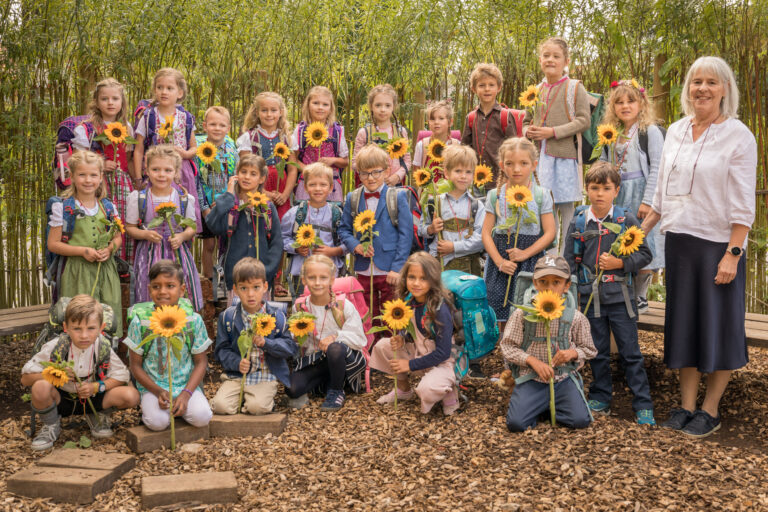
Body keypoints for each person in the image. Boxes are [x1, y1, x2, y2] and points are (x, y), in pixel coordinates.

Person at [641, 56, 757, 438]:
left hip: (717, 245)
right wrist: (638, 234)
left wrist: (733, 253)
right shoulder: (675, 130)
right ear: (688, 89)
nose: (702, 89)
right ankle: (686, 405)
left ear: (725, 89)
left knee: (720, 326)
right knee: (685, 326)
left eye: (711, 82)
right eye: (696, 82)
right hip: (679, 243)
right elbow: (660, 193)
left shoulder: (738, 135)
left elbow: (743, 203)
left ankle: (711, 409)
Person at [563, 162, 655, 425]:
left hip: (620, 299)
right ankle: (601, 396)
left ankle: (643, 404)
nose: (600, 194)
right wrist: (570, 292)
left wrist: (620, 264)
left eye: (606, 188)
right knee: (597, 350)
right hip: (589, 300)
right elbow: (569, 260)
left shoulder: (626, 221)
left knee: (631, 353)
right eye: (594, 188)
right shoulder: (580, 221)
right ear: (586, 190)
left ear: (616, 190)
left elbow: (645, 254)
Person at [22, 295, 139, 450]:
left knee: (131, 395)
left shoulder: (101, 346)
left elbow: (122, 376)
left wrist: (96, 387)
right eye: (77, 329)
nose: (84, 335)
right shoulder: (56, 346)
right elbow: (25, 379)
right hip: (61, 400)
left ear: (101, 327)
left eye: (91, 328)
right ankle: (51, 425)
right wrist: (53, 374)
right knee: (40, 387)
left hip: (93, 398)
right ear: (66, 327)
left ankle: (97, 416)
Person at [501, 256, 596, 431]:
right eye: (543, 282)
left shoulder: (575, 317)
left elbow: (589, 349)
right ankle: (538, 405)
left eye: (556, 282)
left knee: (580, 421)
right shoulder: (522, 315)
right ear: (535, 284)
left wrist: (572, 353)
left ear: (566, 286)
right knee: (516, 424)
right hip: (532, 379)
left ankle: (547, 406)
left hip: (563, 380)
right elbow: (507, 347)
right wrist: (532, 361)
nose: (549, 288)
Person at [600, 79, 665, 313]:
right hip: (619, 194)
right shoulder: (612, 134)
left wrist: (648, 201)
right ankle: (625, 290)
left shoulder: (650, 131)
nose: (625, 106)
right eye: (619, 102)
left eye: (630, 101)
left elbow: (657, 167)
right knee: (623, 241)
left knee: (644, 240)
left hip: (641, 191)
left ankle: (641, 295)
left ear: (641, 104)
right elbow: (606, 163)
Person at [124, 260, 212, 431]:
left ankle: (181, 406)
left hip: (185, 385)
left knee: (202, 417)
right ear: (149, 289)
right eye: (156, 286)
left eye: (170, 285)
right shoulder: (141, 322)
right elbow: (134, 365)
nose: (162, 291)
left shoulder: (192, 320)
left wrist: (186, 394)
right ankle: (154, 408)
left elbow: (201, 362)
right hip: (153, 386)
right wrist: (157, 391)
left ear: (182, 289)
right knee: (158, 423)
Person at [370, 252, 460, 416]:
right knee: (383, 346)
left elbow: (443, 352)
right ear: (405, 278)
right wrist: (402, 339)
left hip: (442, 362)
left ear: (433, 280)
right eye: (412, 277)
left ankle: (450, 391)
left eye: (423, 278)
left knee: (426, 389)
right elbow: (414, 331)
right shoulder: (409, 301)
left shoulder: (440, 308)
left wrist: (409, 365)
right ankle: (404, 390)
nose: (416, 283)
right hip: (420, 353)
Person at [47, 151, 124, 336]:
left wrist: (110, 249)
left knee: (108, 317)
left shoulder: (107, 207)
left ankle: (106, 357)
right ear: (72, 177)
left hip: (106, 273)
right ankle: (79, 360)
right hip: (77, 273)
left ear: (101, 177)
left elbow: (117, 236)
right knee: (81, 319)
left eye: (93, 175)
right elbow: (53, 244)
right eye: (82, 175)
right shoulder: (63, 208)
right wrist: (82, 251)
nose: (88, 180)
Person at [524, 37, 591, 251]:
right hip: (539, 159)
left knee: (567, 210)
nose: (550, 60)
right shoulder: (534, 90)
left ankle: (567, 259)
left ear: (566, 61)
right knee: (544, 208)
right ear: (540, 60)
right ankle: (547, 258)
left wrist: (552, 132)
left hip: (564, 157)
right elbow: (526, 120)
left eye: (556, 56)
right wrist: (528, 131)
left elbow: (583, 120)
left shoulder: (574, 87)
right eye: (546, 55)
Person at [482, 138, 556, 326]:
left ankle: (526, 350)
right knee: (500, 306)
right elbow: (486, 233)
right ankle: (505, 351)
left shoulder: (541, 195)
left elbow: (549, 233)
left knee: (528, 306)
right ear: (501, 165)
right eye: (510, 164)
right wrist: (499, 262)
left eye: (523, 163)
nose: (516, 169)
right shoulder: (495, 196)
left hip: (530, 260)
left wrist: (525, 253)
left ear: (534, 165)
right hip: (501, 261)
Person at [212, 258, 297, 415]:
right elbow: (221, 351)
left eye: (256, 287)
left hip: (264, 374)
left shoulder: (277, 317)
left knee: (257, 408)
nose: (250, 294)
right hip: (237, 375)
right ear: (235, 290)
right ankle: (246, 397)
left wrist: (267, 343)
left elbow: (289, 347)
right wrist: (237, 363)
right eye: (244, 288)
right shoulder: (228, 317)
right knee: (220, 407)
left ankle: (253, 400)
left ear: (265, 287)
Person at [339, 144, 413, 322]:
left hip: (389, 269)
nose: (370, 178)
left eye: (376, 172)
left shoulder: (398, 197)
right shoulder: (353, 197)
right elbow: (344, 229)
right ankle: (369, 347)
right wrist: (355, 245)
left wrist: (397, 268)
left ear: (387, 171)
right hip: (364, 268)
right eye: (364, 173)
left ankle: (388, 347)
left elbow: (406, 235)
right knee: (366, 313)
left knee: (390, 314)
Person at [125, 145, 203, 311]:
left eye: (167, 170)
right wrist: (145, 234)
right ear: (147, 170)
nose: (161, 175)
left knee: (179, 294)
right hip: (149, 255)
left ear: (176, 172)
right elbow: (130, 227)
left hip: (177, 255)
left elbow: (192, 227)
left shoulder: (184, 198)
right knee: (149, 294)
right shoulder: (138, 198)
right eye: (156, 169)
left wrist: (182, 237)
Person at [286, 255, 368, 412]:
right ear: (304, 280)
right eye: (312, 277)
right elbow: (299, 340)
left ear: (332, 280)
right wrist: (295, 338)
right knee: (292, 389)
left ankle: (336, 390)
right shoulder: (300, 307)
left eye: (323, 278)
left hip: (345, 356)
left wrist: (335, 337)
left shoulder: (343, 305)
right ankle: (330, 380)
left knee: (334, 348)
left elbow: (359, 339)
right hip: (316, 359)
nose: (317, 283)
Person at [72, 78, 136, 261]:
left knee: (123, 222)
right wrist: (100, 162)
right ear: (96, 102)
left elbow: (129, 160)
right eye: (105, 99)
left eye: (115, 99)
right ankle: (101, 257)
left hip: (123, 184)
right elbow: (78, 160)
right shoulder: (87, 129)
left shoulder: (127, 128)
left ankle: (124, 264)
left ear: (122, 102)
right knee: (102, 219)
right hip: (97, 183)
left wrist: (137, 183)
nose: (110, 103)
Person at [133, 68, 202, 231]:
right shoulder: (148, 116)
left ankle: (182, 251)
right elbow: (138, 150)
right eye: (160, 87)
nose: (164, 92)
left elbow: (194, 148)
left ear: (179, 92)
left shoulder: (186, 118)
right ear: (154, 89)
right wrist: (137, 178)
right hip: (156, 173)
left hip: (181, 173)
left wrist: (185, 153)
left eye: (169, 88)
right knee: (154, 216)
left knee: (182, 216)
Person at [205, 154, 283, 296]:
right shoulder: (229, 204)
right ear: (237, 174)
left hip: (262, 278)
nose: (247, 177)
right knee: (236, 314)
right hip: (235, 277)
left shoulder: (267, 207)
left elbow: (277, 242)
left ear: (261, 178)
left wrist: (267, 270)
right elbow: (213, 225)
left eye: (253, 174)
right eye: (243, 172)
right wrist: (228, 195)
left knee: (262, 317)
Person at [419, 144, 486, 276]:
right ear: (446, 173)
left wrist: (454, 247)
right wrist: (431, 229)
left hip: (468, 268)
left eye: (468, 172)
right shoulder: (434, 202)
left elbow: (481, 239)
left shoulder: (477, 206)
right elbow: (421, 229)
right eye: (458, 171)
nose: (463, 176)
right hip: (438, 265)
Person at [280, 163, 346, 295]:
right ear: (305, 187)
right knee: (302, 307)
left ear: (331, 187)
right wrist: (296, 247)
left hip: (330, 272)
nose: (318, 189)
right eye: (312, 185)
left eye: (323, 185)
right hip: (301, 273)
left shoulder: (338, 214)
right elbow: (282, 238)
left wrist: (334, 251)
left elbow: (348, 241)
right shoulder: (294, 214)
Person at [195, 106, 238, 280]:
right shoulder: (198, 149)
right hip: (205, 203)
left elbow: (234, 176)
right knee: (210, 243)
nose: (217, 128)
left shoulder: (231, 147)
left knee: (227, 242)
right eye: (213, 124)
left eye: (222, 125)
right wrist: (205, 208)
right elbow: (196, 180)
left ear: (228, 128)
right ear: (205, 126)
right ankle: (207, 279)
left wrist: (226, 200)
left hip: (226, 203)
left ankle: (226, 279)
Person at [237, 92, 296, 219]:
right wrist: (264, 193)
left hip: (282, 186)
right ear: (257, 112)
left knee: (281, 223)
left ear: (280, 112)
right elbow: (244, 169)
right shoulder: (249, 137)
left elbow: (292, 169)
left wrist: (285, 195)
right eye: (264, 110)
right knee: (260, 220)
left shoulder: (287, 138)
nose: (269, 114)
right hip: (258, 184)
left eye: (273, 110)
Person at [460, 63, 520, 186]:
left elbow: (514, 150)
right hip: (477, 180)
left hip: (501, 180)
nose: (487, 89)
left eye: (491, 85)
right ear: (474, 89)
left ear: (499, 87)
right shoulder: (471, 118)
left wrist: (510, 176)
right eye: (482, 85)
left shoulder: (505, 116)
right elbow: (465, 149)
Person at [291, 86, 349, 203]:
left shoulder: (337, 131)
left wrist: (332, 160)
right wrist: (307, 169)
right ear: (308, 105)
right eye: (316, 103)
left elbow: (345, 161)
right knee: (305, 215)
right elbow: (293, 160)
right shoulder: (300, 131)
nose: (320, 108)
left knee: (332, 215)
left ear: (331, 108)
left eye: (325, 104)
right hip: (307, 183)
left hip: (331, 184)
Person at [351, 84, 411, 187]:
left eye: (387, 105)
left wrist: (397, 176)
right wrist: (372, 175)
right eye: (378, 105)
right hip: (371, 186)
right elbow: (355, 163)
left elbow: (407, 160)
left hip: (395, 185)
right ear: (371, 106)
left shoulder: (400, 132)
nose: (383, 109)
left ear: (394, 107)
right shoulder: (364, 133)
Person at [412, 99, 461, 182]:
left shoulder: (457, 145)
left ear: (450, 122)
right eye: (432, 119)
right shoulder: (422, 145)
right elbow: (416, 171)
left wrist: (450, 172)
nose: (436, 122)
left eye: (441, 118)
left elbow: (462, 171)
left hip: (451, 192)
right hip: (428, 192)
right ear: (428, 122)